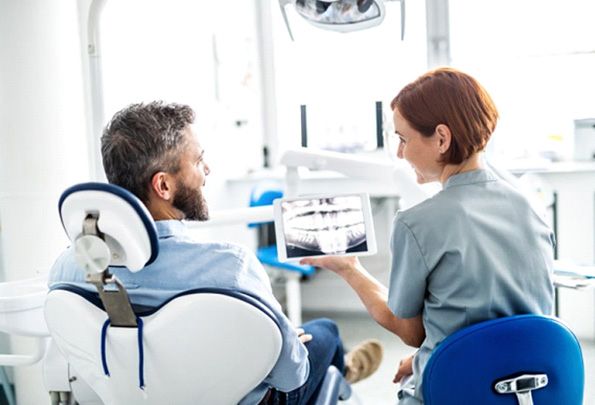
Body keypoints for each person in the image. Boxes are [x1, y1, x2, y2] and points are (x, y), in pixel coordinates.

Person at [48, 102, 383, 405]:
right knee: (325, 334)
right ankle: (344, 371)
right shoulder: (230, 268)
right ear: (163, 186)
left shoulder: (68, 269)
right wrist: (286, 342)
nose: (207, 169)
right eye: (198, 160)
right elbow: (289, 376)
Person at [301, 67, 554, 404]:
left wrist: (349, 268)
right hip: (529, 389)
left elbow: (410, 330)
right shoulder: (532, 207)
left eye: (403, 139)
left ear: (442, 138)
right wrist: (432, 359)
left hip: (459, 392)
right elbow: (503, 323)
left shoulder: (417, 223)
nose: (400, 153)